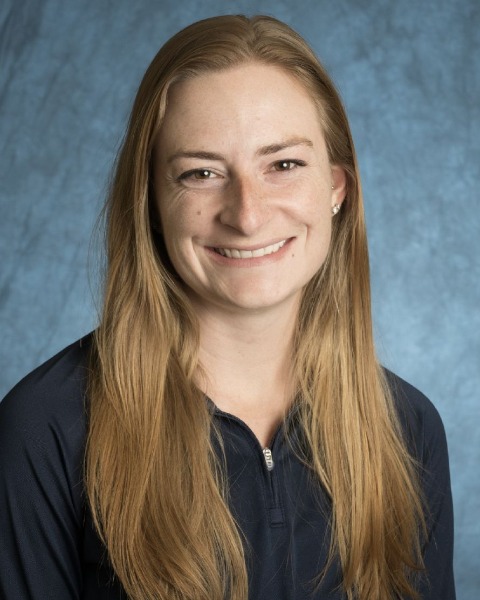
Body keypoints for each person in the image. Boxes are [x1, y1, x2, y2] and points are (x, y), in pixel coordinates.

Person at [0, 14, 455, 600]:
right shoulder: (46, 430)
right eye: (202, 172)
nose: (247, 214)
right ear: (151, 202)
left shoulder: (408, 428)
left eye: (283, 165)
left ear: (336, 187)